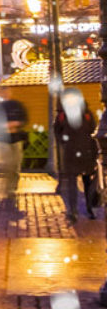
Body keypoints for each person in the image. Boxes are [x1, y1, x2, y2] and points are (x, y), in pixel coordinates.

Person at [53, 94, 99, 223]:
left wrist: (64, 142)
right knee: (85, 182)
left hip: (75, 152)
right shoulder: (86, 114)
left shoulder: (65, 114)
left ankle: (76, 210)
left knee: (76, 183)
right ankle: (87, 209)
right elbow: (94, 131)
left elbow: (57, 131)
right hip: (83, 152)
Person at [0, 90, 28, 205]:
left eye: (6, 91)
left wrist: (16, 124)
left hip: (16, 139)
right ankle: (9, 188)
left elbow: (24, 119)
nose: (4, 93)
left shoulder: (17, 105)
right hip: (4, 140)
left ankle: (13, 187)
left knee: (16, 164)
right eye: (2, 91)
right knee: (8, 165)